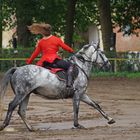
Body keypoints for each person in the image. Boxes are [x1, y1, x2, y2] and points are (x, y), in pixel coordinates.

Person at [26, 23, 75, 88]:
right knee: (70, 66)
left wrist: (29, 62)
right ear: (50, 31)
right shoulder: (56, 39)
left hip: (43, 63)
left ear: (42, 33)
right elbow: (65, 47)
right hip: (54, 60)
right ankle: (69, 83)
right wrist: (72, 51)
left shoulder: (41, 42)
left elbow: (35, 53)